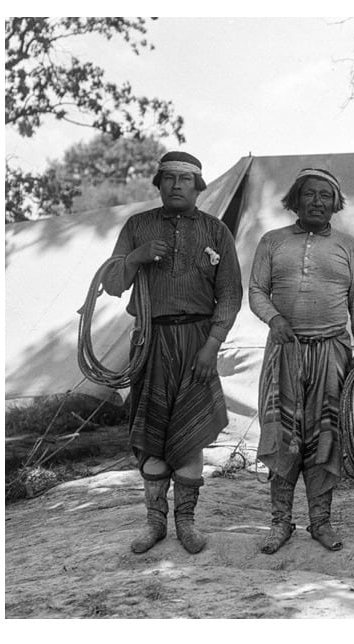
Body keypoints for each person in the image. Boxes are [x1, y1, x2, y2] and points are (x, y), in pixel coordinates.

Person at [102, 151, 242, 554]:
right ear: (159, 183)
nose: (177, 185)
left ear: (198, 187)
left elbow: (230, 293)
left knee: (191, 435)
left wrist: (212, 345)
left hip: (199, 342)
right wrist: (135, 257)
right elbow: (112, 283)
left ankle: (186, 523)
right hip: (151, 340)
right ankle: (154, 523)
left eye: (185, 179)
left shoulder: (216, 232)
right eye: (169, 178)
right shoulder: (137, 226)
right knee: (151, 437)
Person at [249, 167, 354, 554]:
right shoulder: (272, 242)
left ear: (336, 203)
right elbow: (256, 290)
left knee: (325, 439)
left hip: (332, 352)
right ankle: (279, 524)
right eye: (310, 194)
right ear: (295, 199)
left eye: (325, 195)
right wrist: (275, 319)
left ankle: (320, 522)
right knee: (283, 435)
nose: (317, 201)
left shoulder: (348, 245)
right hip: (284, 350)